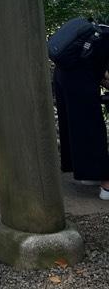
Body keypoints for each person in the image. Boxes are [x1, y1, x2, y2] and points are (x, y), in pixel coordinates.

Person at [52, 24, 109, 200]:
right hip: (78, 80)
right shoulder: (104, 40)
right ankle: (106, 185)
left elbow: (97, 69)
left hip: (63, 76)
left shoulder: (99, 33)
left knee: (74, 126)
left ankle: (87, 175)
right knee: (92, 129)